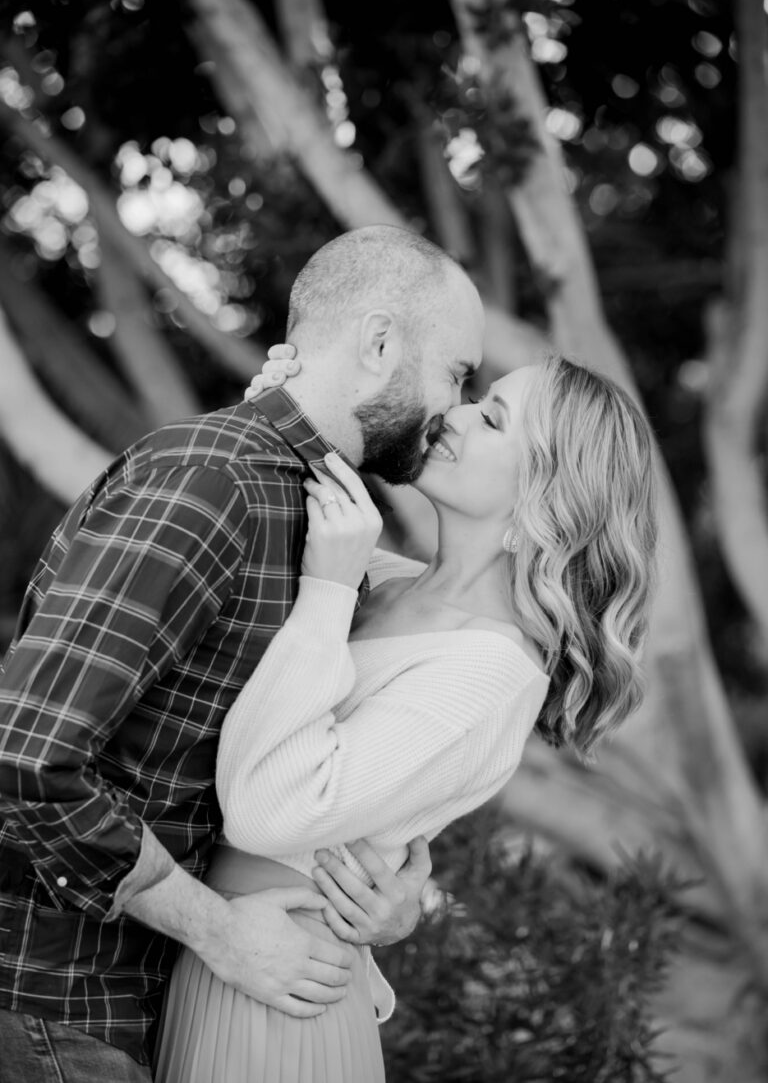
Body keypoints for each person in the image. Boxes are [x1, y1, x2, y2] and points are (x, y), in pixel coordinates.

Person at [0, 225, 485, 1082]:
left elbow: (316, 753)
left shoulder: (324, 521)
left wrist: (392, 890)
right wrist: (220, 930)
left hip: (141, 1004)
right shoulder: (212, 478)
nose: (457, 406)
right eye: (457, 372)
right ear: (379, 343)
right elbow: (29, 756)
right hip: (51, 1007)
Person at [153, 351, 658, 1083]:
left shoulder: (492, 671)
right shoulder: (384, 580)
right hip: (232, 953)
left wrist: (327, 589)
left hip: (278, 996)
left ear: (545, 499)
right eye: (473, 398)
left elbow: (273, 813)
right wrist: (290, 404)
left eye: (492, 419)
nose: (452, 415)